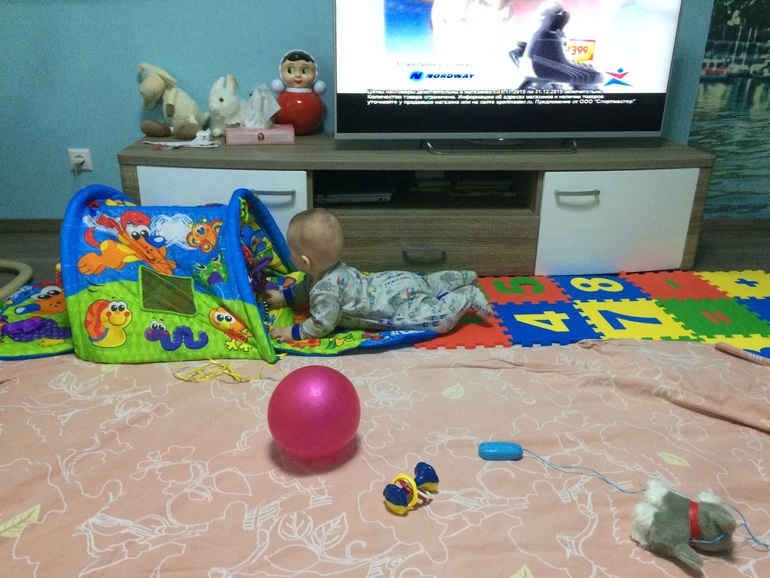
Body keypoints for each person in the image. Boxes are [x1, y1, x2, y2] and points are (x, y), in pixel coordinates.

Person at [264, 208, 494, 342]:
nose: (289, 254)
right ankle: (461, 277)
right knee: (426, 283)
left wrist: (291, 332)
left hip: (395, 306)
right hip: (392, 281)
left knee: (437, 320)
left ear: (305, 261)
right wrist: (283, 297)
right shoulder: (327, 271)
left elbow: (321, 324)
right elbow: (305, 288)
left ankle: (467, 296)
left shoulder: (326, 291)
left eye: (291, 250)